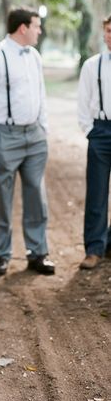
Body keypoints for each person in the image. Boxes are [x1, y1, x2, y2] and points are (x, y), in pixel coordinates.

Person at [0, 6, 55, 276]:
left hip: (34, 136)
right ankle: (1, 254)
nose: (39, 30)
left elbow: (40, 94)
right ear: (23, 28)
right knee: (2, 198)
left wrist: (42, 128)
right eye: (36, 26)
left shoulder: (35, 56)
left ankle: (37, 252)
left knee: (36, 195)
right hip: (5, 136)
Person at [77, 15, 111, 269]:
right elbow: (82, 103)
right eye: (108, 31)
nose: (110, 35)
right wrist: (90, 130)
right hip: (100, 131)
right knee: (97, 193)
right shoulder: (92, 65)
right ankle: (94, 249)